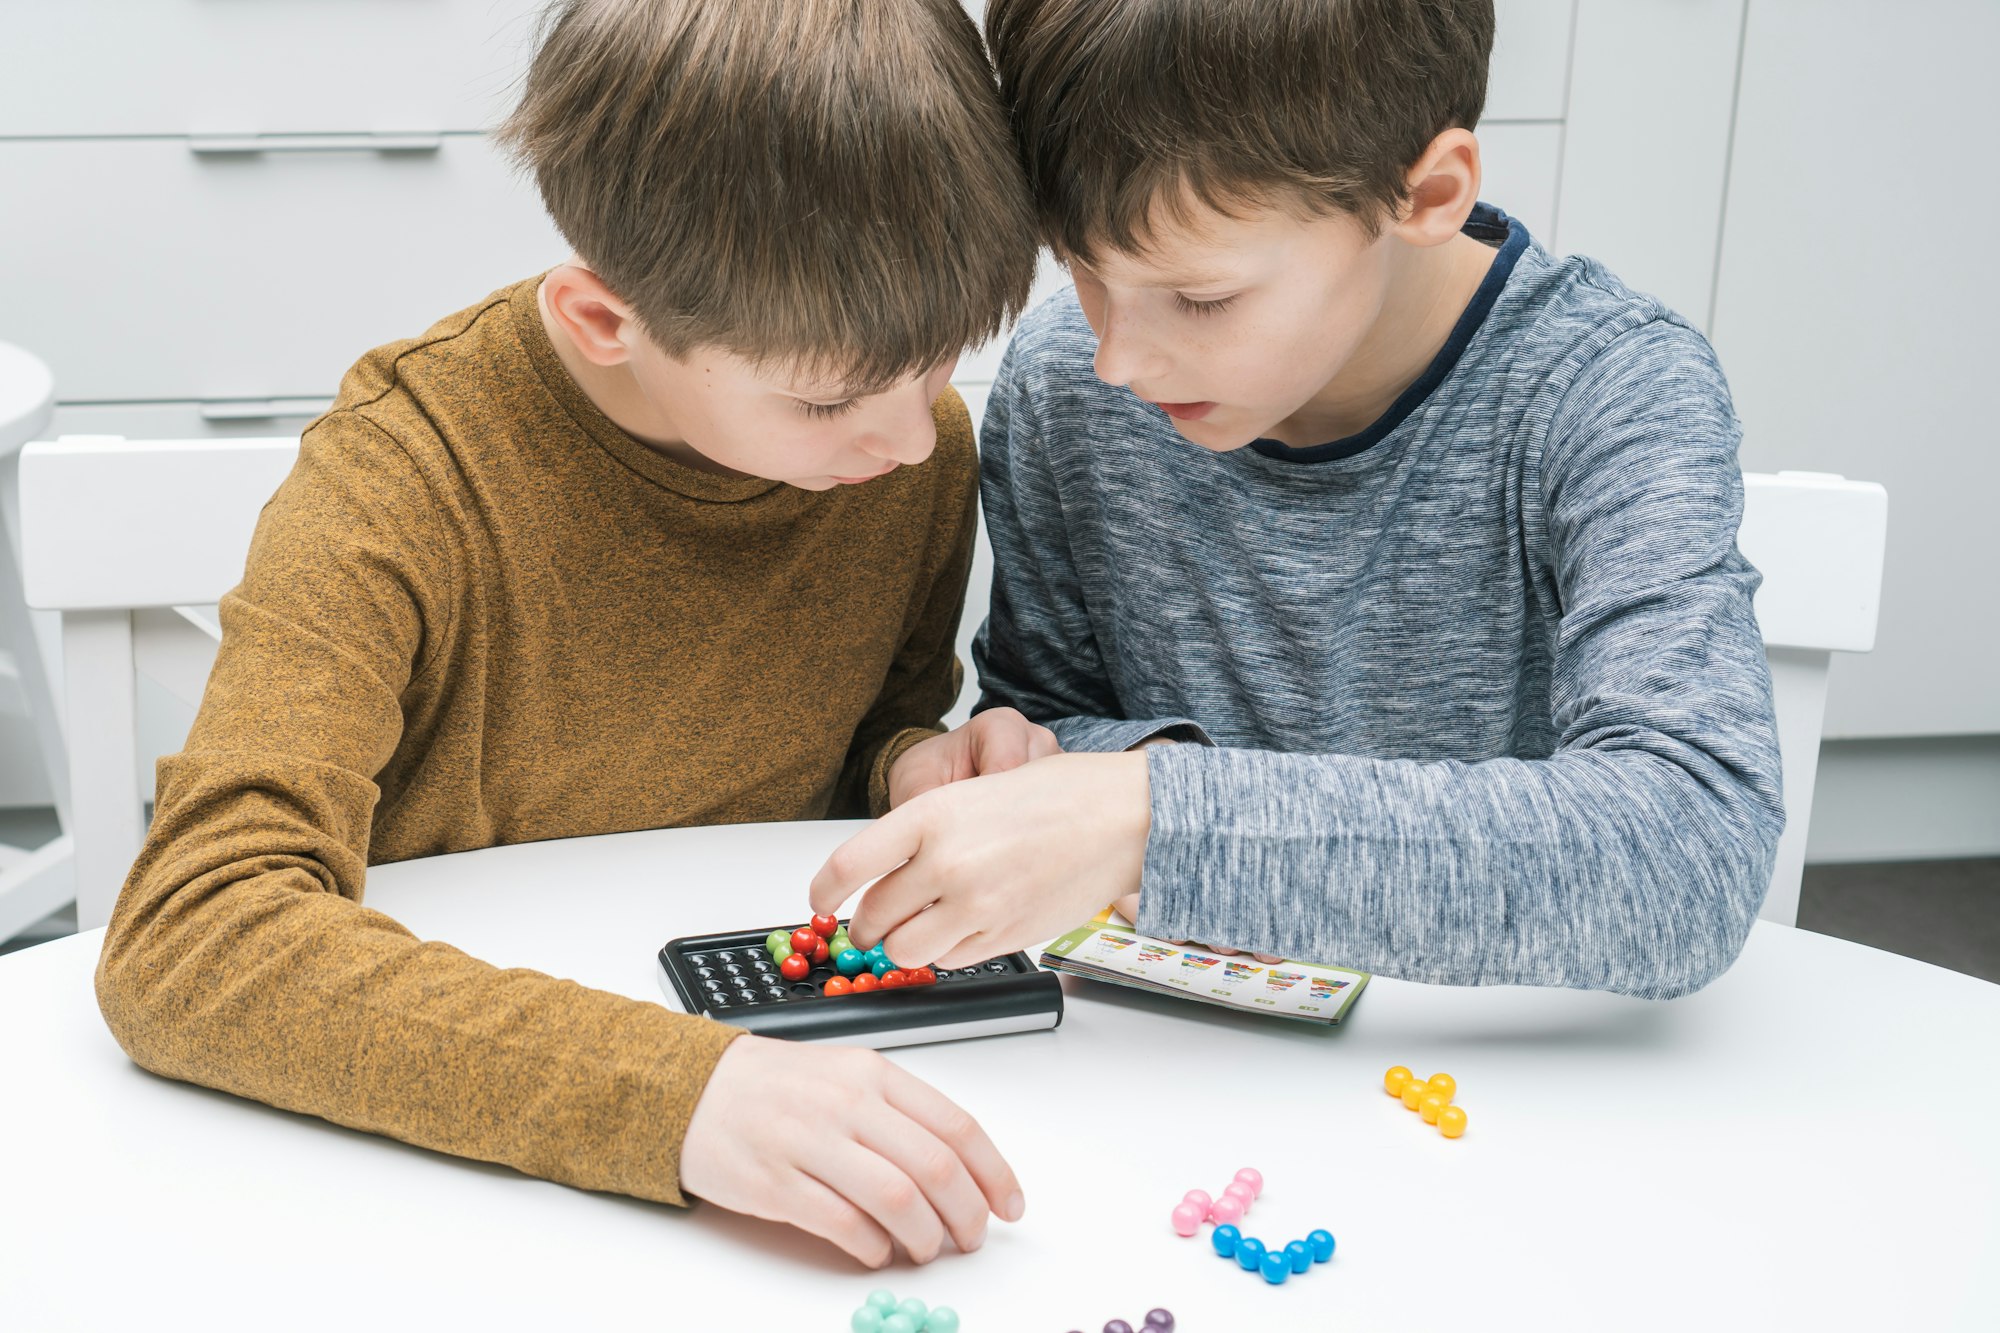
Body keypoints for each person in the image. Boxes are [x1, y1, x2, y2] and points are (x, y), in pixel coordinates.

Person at [94, 0, 1056, 1268]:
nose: (909, 441)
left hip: (771, 1098)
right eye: (825, 398)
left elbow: (852, 724)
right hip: (443, 1167)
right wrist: (680, 1095)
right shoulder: (404, 474)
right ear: (605, 320)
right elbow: (192, 930)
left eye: (937, 364)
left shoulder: (895, 455)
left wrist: (906, 766)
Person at [813, 0, 1785, 1001]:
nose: (1120, 359)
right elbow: (1057, 724)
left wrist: (1149, 819)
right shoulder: (1066, 384)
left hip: (1506, 1083)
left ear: (1426, 192)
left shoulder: (1606, 391)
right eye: (1084, 273)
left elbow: (1690, 844)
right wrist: (1026, 760)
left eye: (1201, 298)